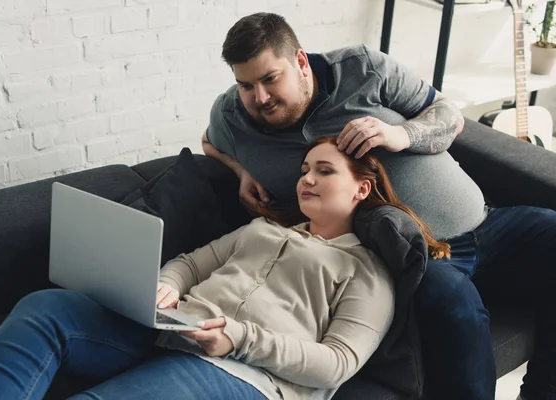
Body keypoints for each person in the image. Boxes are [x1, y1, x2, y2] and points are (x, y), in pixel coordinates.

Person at [201, 12, 556, 400]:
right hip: (416, 258)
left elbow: (450, 117)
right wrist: (239, 170)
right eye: (246, 85)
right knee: (455, 306)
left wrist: (399, 134)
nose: (261, 98)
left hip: (487, 223)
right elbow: (208, 142)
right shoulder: (233, 115)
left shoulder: (362, 68)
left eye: (270, 79)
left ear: (300, 62)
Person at [0, 138, 449, 400]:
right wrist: (165, 288)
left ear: (361, 189)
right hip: (169, 330)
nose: (308, 178)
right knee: (46, 309)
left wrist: (240, 338)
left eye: (325, 170)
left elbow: (338, 364)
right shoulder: (263, 229)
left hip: (246, 374)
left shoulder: (370, 270)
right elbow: (190, 264)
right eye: (304, 170)